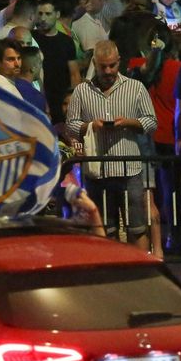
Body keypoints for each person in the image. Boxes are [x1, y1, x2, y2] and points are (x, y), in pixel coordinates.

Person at [65, 40, 157, 250]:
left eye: (112, 66)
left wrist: (129, 123)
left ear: (119, 62)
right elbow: (70, 126)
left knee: (137, 227)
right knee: (104, 229)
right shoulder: (81, 91)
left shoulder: (135, 87)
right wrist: (91, 126)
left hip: (129, 170)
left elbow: (151, 122)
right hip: (98, 172)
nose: (108, 71)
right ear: (94, 64)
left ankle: (139, 275)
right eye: (102, 66)